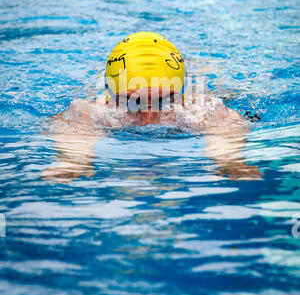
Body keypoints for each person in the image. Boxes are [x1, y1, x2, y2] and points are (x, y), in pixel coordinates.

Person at [42, 32, 261, 182]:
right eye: (131, 102)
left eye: (164, 101)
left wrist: (229, 159)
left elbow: (226, 131)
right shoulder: (93, 110)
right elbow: (72, 133)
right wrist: (72, 160)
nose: (148, 119)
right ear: (110, 99)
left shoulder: (203, 108)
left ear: (182, 97)